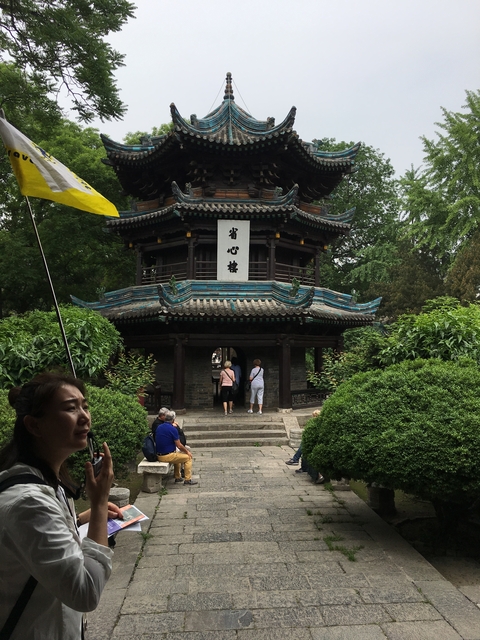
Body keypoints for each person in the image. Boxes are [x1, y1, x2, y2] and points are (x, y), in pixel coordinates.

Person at [0, 372, 122, 640]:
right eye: (70, 408)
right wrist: (100, 504)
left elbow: (40, 535)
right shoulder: (28, 501)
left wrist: (79, 519)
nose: (84, 416)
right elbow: (86, 592)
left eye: (84, 406)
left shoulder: (46, 482)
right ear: (34, 425)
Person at [155, 410, 197, 485]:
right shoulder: (172, 429)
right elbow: (179, 445)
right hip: (167, 455)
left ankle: (178, 477)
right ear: (173, 420)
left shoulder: (159, 427)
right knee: (188, 458)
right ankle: (188, 479)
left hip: (159, 455)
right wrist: (187, 452)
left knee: (177, 454)